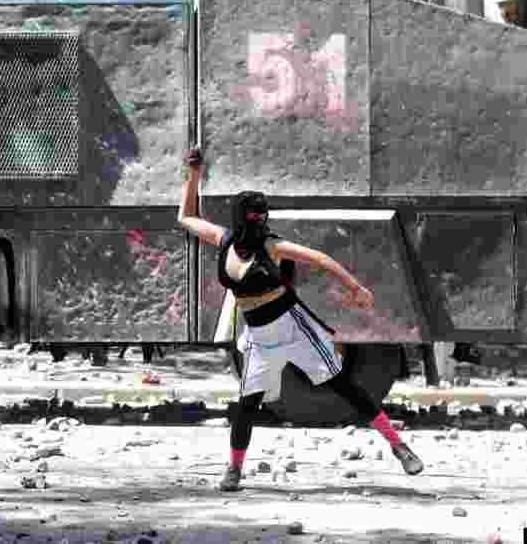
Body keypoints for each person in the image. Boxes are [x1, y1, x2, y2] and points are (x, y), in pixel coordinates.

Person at [177, 148, 424, 492]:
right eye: (253, 217)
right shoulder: (225, 241)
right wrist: (193, 174)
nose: (258, 223)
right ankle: (233, 470)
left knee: (341, 386)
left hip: (295, 330)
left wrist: (357, 289)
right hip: (260, 337)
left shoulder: (272, 246)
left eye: (261, 218)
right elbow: (186, 218)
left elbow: (321, 258)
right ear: (240, 219)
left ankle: (399, 446)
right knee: (247, 404)